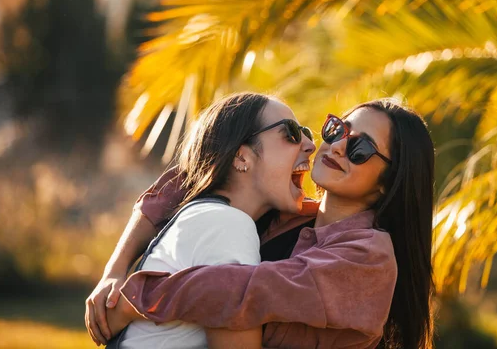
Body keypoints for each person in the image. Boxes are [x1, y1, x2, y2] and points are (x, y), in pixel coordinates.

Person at [86, 98, 435, 349]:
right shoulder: (289, 215)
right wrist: (113, 270)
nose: (337, 146)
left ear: (389, 183)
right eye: (337, 130)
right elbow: (193, 173)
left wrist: (136, 300)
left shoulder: (367, 256)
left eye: (360, 149)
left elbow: (243, 293)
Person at [86, 92, 316, 348]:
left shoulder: (209, 216)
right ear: (242, 157)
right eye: (291, 133)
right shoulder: (228, 225)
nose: (309, 145)